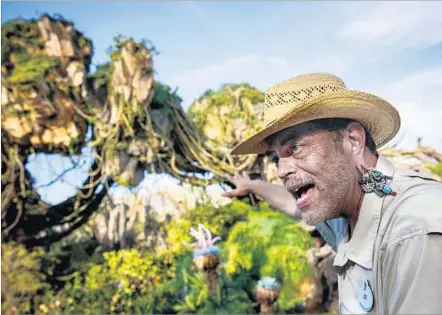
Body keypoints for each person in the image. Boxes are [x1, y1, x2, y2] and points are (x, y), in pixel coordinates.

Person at [222, 73, 442, 314]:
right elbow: (291, 202)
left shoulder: (414, 230)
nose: (281, 171)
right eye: (276, 158)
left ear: (353, 140)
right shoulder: (346, 209)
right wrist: (254, 186)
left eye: (294, 148)